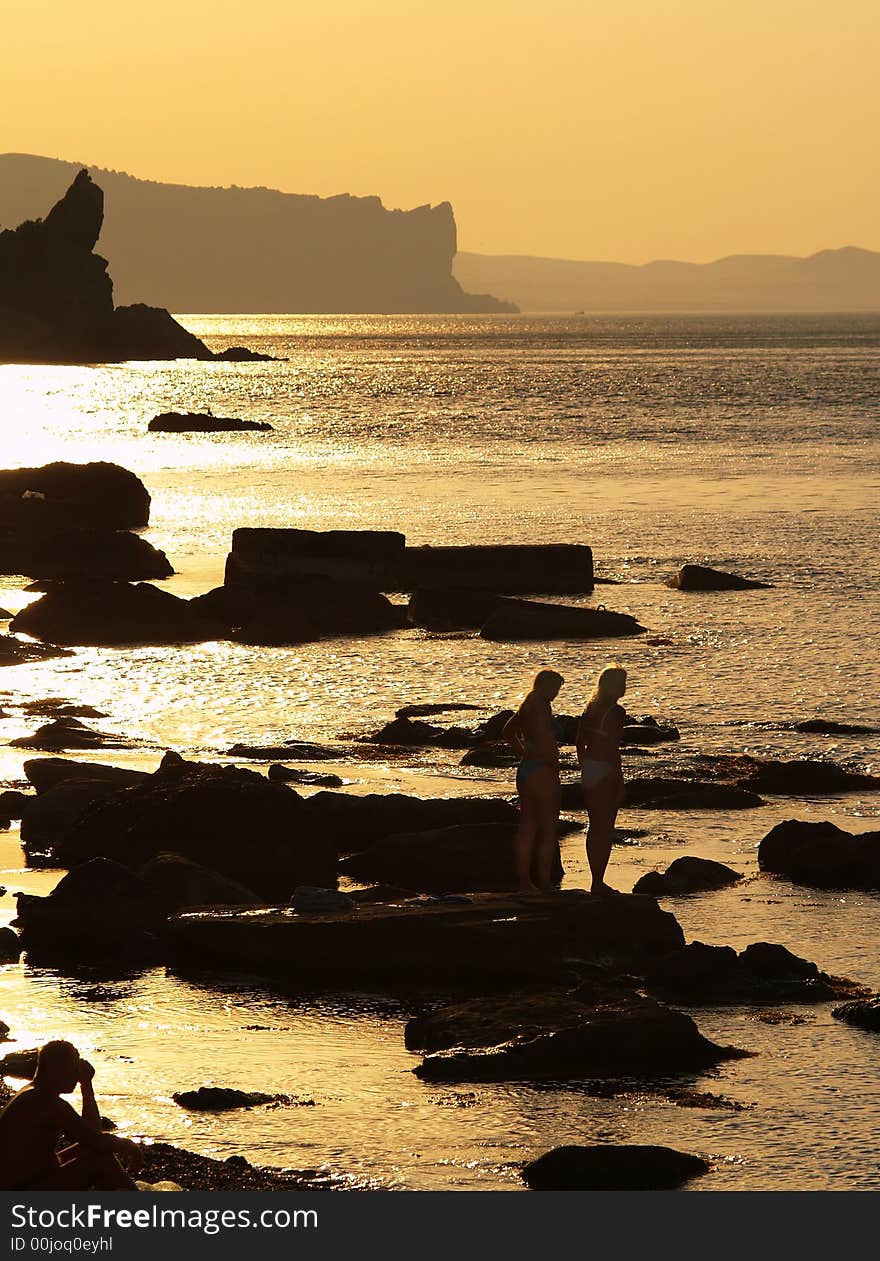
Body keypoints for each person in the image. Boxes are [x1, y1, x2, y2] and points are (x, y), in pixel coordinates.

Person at [0, 1040, 141, 1190]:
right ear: (54, 1069)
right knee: (100, 1161)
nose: (77, 1074)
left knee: (92, 1151)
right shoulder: (45, 1099)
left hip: (27, 1180)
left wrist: (86, 1084)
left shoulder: (31, 1091)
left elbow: (90, 1136)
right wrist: (129, 1146)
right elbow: (95, 1139)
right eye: (73, 1068)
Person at [503, 669, 565, 893]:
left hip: (527, 769)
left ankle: (524, 882)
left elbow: (508, 730)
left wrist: (523, 753)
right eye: (556, 688)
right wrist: (552, 764)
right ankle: (544, 882)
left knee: (527, 828)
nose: (557, 693)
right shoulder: (541, 706)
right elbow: (543, 738)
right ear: (546, 686)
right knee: (548, 829)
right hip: (543, 772)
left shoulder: (527, 704)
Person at [576, 664, 627, 896]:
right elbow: (612, 747)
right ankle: (598, 882)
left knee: (594, 826)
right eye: (622, 682)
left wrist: (585, 765)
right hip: (605, 768)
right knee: (605, 827)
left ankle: (596, 880)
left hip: (589, 768)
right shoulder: (615, 712)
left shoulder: (590, 708)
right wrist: (618, 778)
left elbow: (579, 742)